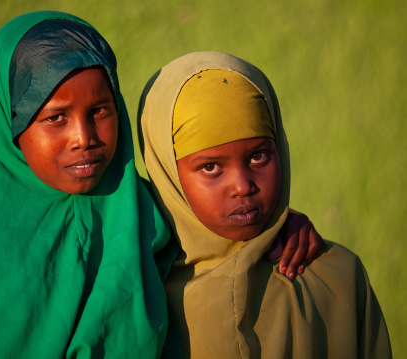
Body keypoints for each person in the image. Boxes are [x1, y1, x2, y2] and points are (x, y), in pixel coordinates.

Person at [0, 12, 322, 357]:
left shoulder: (140, 212)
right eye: (56, 118)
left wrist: (280, 226)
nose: (84, 138)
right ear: (7, 124)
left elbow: (218, 227)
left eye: (100, 110)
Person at [138, 51, 392, 358]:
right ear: (167, 173)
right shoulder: (142, 297)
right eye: (210, 167)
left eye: (258, 156)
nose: (243, 186)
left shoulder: (337, 278)